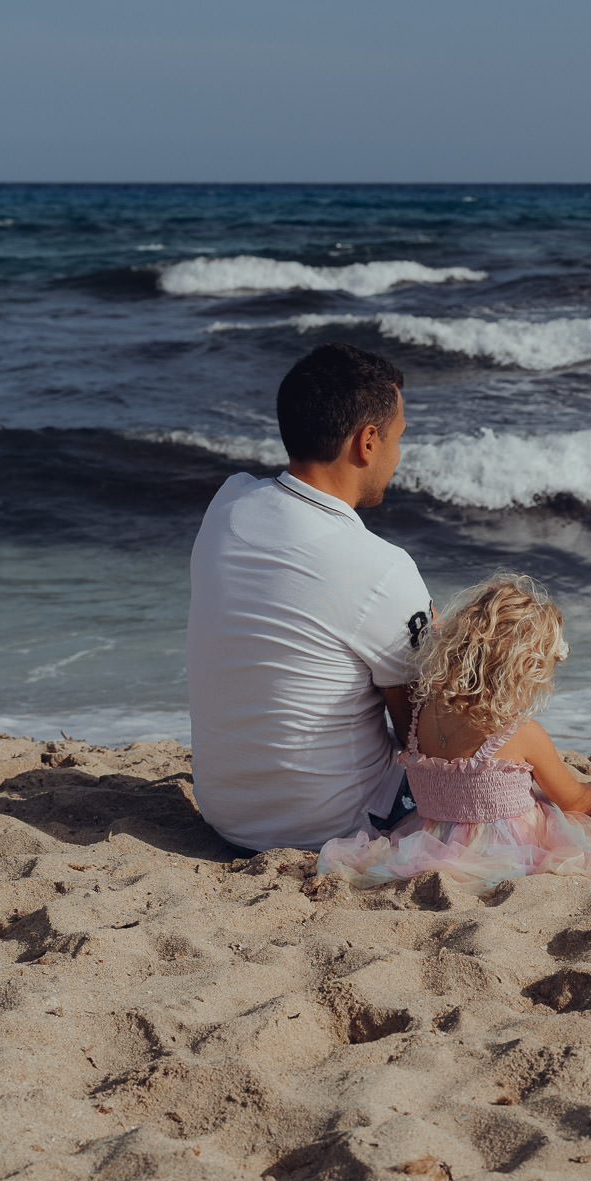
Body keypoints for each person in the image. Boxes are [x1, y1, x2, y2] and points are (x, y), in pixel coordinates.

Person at [186, 343, 433, 852]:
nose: (398, 455)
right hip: (335, 826)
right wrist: (438, 638)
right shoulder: (383, 568)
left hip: (226, 815)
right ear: (368, 442)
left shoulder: (227, 505)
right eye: (398, 437)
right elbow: (423, 737)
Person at [317, 574, 591, 889]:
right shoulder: (521, 733)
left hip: (432, 840)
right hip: (510, 850)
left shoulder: (421, 713)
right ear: (526, 672)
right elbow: (575, 802)